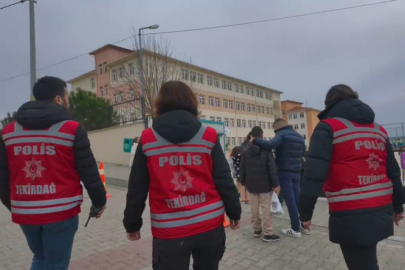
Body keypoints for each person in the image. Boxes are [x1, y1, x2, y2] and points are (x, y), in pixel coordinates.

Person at [123, 81, 241, 270]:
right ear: (191, 102)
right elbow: (224, 179)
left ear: (160, 104)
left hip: (169, 232)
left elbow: (137, 187)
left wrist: (132, 223)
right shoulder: (208, 136)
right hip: (209, 226)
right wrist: (234, 211)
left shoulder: (147, 139)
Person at [0, 76, 107, 270]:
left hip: (25, 211)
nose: (69, 100)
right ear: (58, 99)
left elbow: (2, 176)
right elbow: (89, 172)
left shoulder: (8, 132)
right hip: (61, 211)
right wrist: (99, 202)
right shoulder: (72, 129)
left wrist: (15, 205)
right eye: (67, 96)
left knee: (40, 258)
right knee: (56, 264)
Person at [299, 84, 404, 270]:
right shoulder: (379, 130)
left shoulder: (328, 128)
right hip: (381, 207)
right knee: (368, 261)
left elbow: (313, 174)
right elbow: (393, 171)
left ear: (329, 105)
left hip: (350, 212)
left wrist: (305, 213)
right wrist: (398, 206)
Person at [253, 118, 306, 237]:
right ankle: (303, 224)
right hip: (297, 171)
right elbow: (302, 153)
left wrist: (256, 141)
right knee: (297, 197)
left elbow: (270, 144)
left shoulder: (281, 134)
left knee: (290, 199)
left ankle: (295, 229)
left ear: (276, 127)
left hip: (285, 171)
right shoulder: (298, 136)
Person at [240, 126, 280, 242]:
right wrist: (275, 183)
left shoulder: (245, 150)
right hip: (265, 185)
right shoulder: (266, 150)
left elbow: (242, 168)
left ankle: (257, 230)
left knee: (254, 209)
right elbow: (272, 168)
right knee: (266, 209)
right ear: (262, 136)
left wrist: (243, 181)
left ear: (252, 136)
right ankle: (268, 233)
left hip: (251, 185)